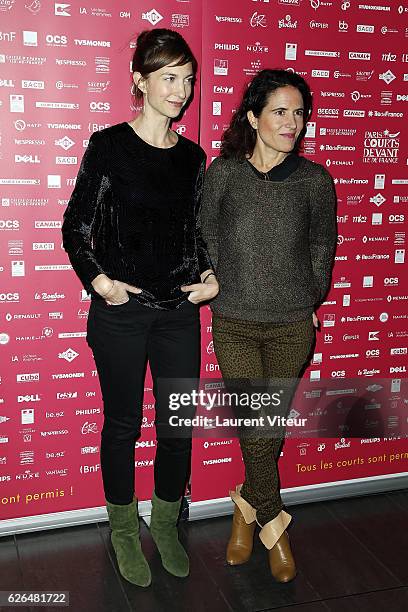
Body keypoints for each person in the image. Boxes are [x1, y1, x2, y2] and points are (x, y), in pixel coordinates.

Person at [62, 28, 218, 587]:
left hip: (178, 310)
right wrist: (101, 282)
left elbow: (196, 234)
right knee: (124, 424)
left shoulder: (193, 157)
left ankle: (167, 523)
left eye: (188, 79)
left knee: (177, 425)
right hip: (121, 310)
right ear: (140, 81)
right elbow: (75, 226)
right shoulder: (108, 146)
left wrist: (207, 274)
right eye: (169, 78)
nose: (181, 90)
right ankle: (124, 531)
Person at [201, 69, 337, 582]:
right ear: (253, 117)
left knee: (266, 428)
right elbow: (205, 237)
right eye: (280, 111)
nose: (293, 122)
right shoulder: (225, 174)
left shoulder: (314, 181)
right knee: (257, 424)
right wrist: (216, 281)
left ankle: (243, 507)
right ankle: (274, 525)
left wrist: (311, 293)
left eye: (299, 112)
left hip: (290, 326)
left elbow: (323, 245)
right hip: (234, 321)